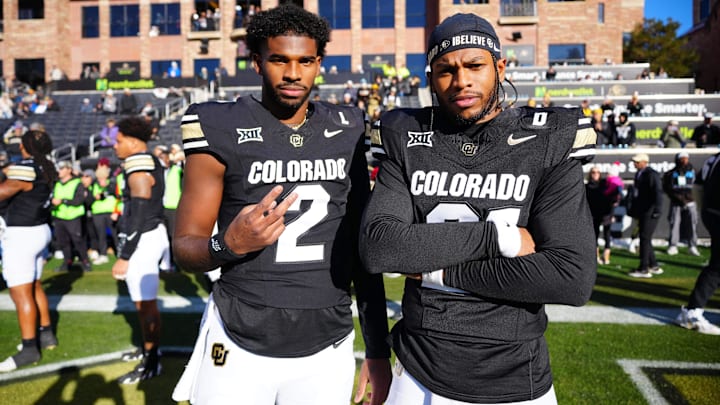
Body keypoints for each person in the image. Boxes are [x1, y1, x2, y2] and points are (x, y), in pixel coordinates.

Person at [360, 13, 597, 404]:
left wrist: (435, 270)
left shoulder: (548, 137)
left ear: (500, 67)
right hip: (418, 365)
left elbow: (570, 277)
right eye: (445, 71)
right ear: (430, 78)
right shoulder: (405, 133)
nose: (461, 81)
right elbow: (380, 247)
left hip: (515, 371)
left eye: (474, 66)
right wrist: (499, 237)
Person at [170, 5, 391, 405]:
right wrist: (229, 245)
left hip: (327, 340)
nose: (293, 73)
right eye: (279, 60)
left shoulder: (348, 126)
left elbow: (363, 252)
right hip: (240, 332)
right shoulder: (219, 123)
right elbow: (185, 246)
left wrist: (377, 348)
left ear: (319, 63)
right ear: (256, 62)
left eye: (305, 61)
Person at [111, 116, 170, 384]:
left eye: (119, 140)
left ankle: (152, 361)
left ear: (134, 142)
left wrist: (125, 255)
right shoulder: (144, 160)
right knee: (142, 302)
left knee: (145, 304)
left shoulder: (139, 162)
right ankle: (148, 350)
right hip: (147, 234)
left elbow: (140, 209)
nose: (115, 145)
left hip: (144, 236)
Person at [0, 130, 59, 372]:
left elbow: (4, 192)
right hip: (39, 229)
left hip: (22, 233)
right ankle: (46, 335)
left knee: (20, 292)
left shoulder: (25, 166)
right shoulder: (46, 165)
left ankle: (29, 349)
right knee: (34, 285)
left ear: (25, 147)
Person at [675, 152, 720, 335]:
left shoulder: (713, 158)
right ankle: (693, 311)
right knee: (717, 267)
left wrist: (705, 212)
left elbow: (698, 186)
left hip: (712, 213)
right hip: (717, 213)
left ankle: (693, 309)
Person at [627, 153, 664, 278]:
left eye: (637, 161)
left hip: (650, 211)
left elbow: (658, 192)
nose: (635, 163)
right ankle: (654, 265)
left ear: (644, 162)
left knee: (644, 238)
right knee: (645, 238)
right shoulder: (640, 174)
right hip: (643, 211)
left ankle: (643, 268)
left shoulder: (651, 174)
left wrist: (657, 210)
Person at [51, 161, 92, 273]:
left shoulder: (77, 183)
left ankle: (85, 261)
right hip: (59, 216)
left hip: (73, 216)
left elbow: (79, 200)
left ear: (69, 170)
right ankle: (67, 262)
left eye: (62, 168)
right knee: (63, 242)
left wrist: (63, 201)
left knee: (78, 241)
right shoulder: (57, 183)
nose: (59, 171)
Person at [662, 151, 700, 256]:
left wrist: (691, 198)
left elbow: (699, 186)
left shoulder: (694, 171)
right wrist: (677, 197)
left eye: (686, 158)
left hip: (690, 202)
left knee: (692, 223)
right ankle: (673, 245)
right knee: (674, 223)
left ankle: (692, 245)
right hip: (676, 201)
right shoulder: (671, 173)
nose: (684, 160)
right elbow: (666, 187)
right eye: (682, 158)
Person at [586, 166, 623, 265]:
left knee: (607, 234)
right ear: (590, 174)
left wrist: (613, 209)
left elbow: (615, 195)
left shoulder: (605, 183)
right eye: (593, 172)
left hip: (606, 213)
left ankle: (606, 257)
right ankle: (596, 256)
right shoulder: (586, 186)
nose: (596, 174)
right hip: (593, 214)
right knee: (595, 235)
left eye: (598, 172)